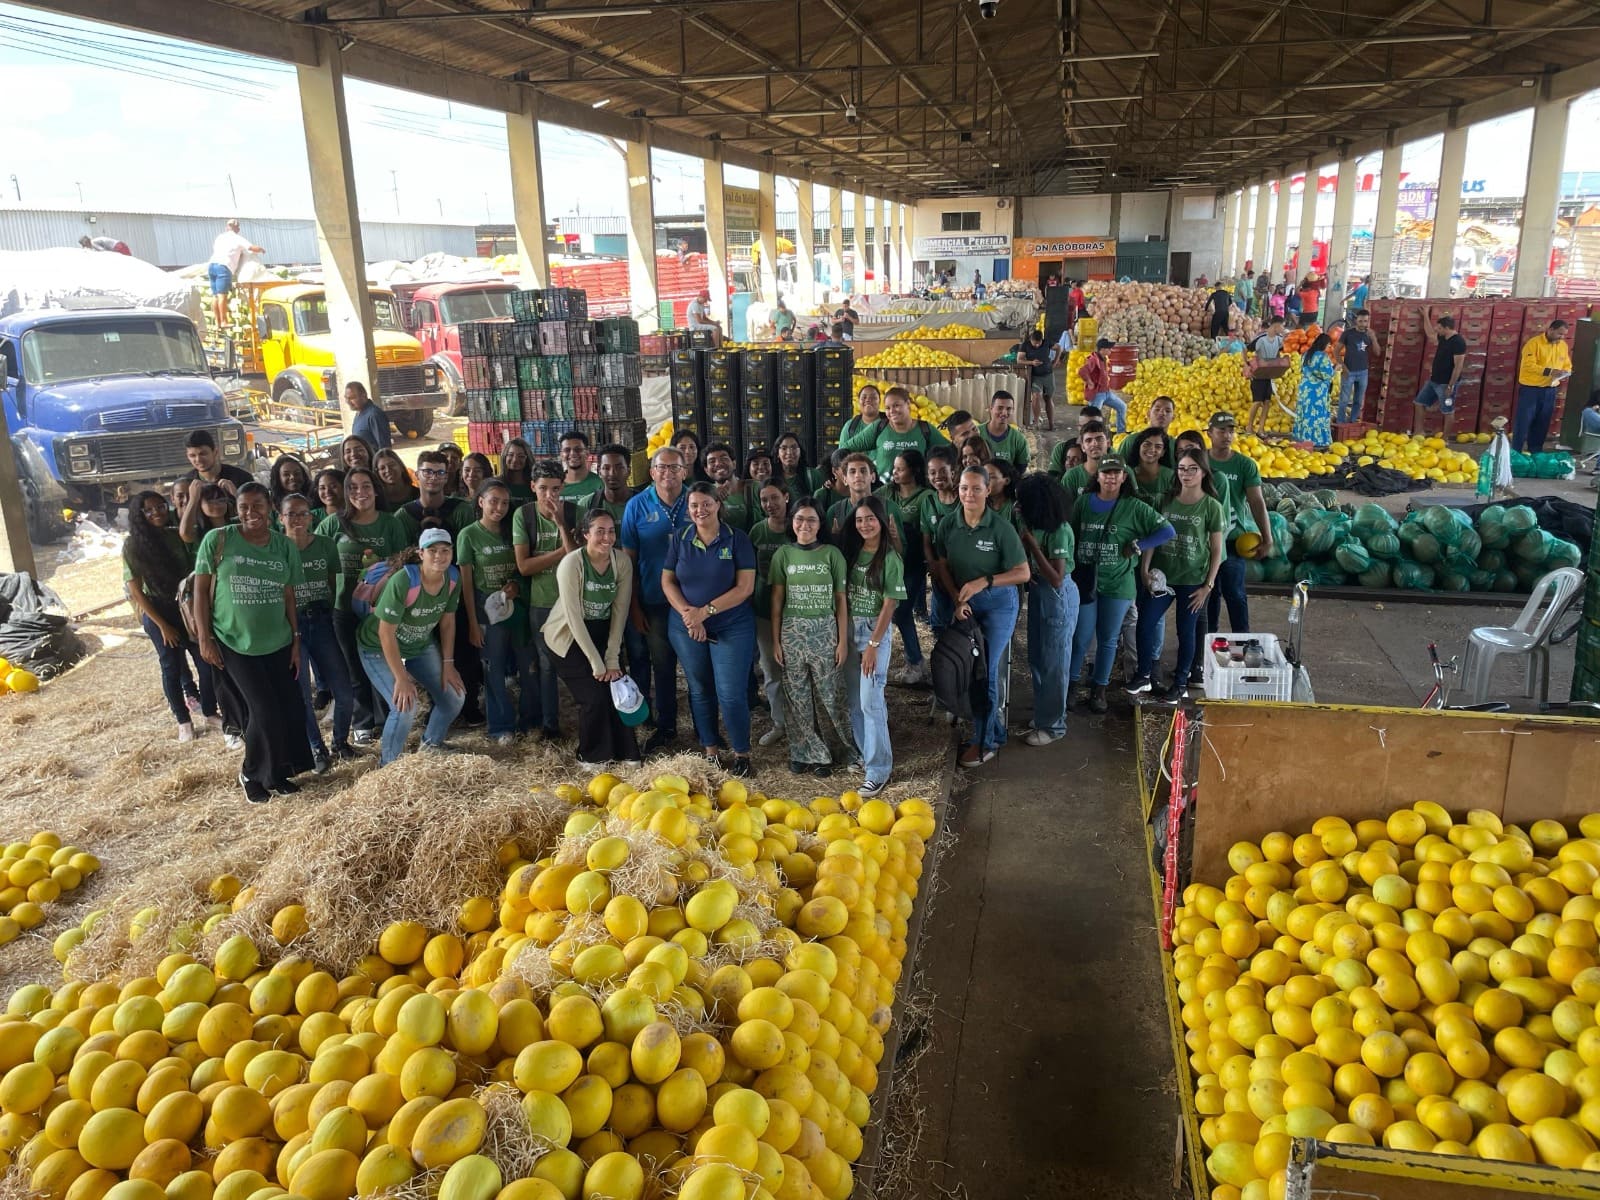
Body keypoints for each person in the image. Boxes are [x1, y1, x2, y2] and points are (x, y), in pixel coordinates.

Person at [192, 482, 312, 803]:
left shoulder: (283, 546)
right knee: (263, 710)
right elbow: (200, 592)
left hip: (278, 641)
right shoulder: (218, 540)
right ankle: (250, 772)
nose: (250, 513)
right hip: (234, 642)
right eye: (244, 506)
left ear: (270, 507)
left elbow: (289, 595)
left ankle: (278, 773)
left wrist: (296, 640)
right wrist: (205, 637)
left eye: (257, 505)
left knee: (288, 709)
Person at [931, 466, 1029, 767]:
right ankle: (994, 732)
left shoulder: (1001, 529)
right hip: (966, 603)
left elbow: (1022, 573)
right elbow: (942, 565)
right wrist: (957, 598)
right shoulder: (949, 525)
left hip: (998, 604)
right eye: (963, 488)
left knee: (984, 670)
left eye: (976, 488)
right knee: (966, 666)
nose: (968, 494)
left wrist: (983, 582)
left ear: (988, 490)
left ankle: (984, 742)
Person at [662, 483, 758, 775]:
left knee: (730, 692)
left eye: (706, 504)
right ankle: (711, 751)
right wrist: (689, 615)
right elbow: (668, 581)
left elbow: (745, 588)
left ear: (718, 504)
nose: (699, 510)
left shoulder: (737, 539)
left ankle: (741, 753)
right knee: (700, 688)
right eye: (693, 506)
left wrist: (705, 612)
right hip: (686, 626)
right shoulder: (681, 537)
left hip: (732, 625)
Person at [1067, 457, 1174, 714]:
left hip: (1118, 583)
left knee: (1108, 639)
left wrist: (1139, 546)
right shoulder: (1083, 502)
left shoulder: (1135, 507)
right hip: (1086, 581)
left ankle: (1099, 690)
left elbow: (1167, 531)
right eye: (1106, 473)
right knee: (1080, 637)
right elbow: (1071, 533)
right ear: (1098, 476)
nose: (1111, 478)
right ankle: (1070, 686)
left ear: (1124, 477)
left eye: (1116, 473)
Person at [315, 467, 410, 744]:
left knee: (380, 664)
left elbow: (402, 560)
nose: (360, 492)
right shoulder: (334, 525)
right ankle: (363, 721)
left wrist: (380, 585)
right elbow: (314, 555)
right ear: (346, 492)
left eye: (366, 486)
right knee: (353, 667)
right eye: (353, 487)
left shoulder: (390, 523)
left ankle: (386, 718)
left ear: (376, 489)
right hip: (343, 608)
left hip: (379, 609)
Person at [357, 530, 466, 767]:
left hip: (419, 644)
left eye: (445, 550)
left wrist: (448, 665)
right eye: (433, 551)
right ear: (421, 553)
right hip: (377, 646)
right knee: (404, 705)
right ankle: (389, 766)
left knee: (455, 697)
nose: (440, 556)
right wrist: (401, 678)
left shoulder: (453, 578)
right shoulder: (404, 581)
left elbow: (448, 622)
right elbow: (385, 633)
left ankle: (431, 745)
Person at [543, 509, 641, 770]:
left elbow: (620, 611)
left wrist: (611, 657)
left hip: (603, 631)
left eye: (611, 531)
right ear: (586, 534)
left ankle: (626, 752)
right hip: (566, 636)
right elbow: (573, 617)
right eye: (599, 531)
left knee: (616, 688)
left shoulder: (621, 562)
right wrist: (597, 662)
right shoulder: (572, 563)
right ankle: (592, 756)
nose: (606, 537)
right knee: (593, 696)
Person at [123, 490, 219, 743]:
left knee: (206, 662)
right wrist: (163, 625)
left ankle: (209, 711)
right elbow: (135, 589)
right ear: (139, 515)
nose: (157, 513)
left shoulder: (175, 535)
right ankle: (183, 720)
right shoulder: (133, 544)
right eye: (149, 510)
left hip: (185, 608)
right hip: (158, 612)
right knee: (172, 667)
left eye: (160, 506)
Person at [770, 498, 853, 777]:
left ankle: (837, 750)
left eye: (811, 519)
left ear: (821, 523)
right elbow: (777, 600)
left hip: (825, 631)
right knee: (797, 697)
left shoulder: (832, 554)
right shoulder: (783, 554)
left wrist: (842, 641)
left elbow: (841, 601)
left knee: (829, 695)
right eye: (799, 519)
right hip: (792, 632)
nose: (804, 525)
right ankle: (805, 752)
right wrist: (777, 640)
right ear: (792, 522)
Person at [1135, 449, 1225, 703]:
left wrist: (1208, 586)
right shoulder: (1165, 500)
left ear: (1204, 472)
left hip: (1193, 580)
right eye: (1182, 468)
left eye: (1192, 469)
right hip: (1162, 577)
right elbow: (1153, 537)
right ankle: (1144, 675)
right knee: (1145, 624)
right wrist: (1145, 569)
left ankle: (1181, 682)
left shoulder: (1211, 506)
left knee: (1186, 632)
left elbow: (1217, 550)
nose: (1186, 474)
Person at [621, 447, 691, 753]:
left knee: (697, 668)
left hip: (694, 603)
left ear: (685, 471)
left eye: (675, 468)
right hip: (654, 600)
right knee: (662, 666)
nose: (668, 473)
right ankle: (666, 727)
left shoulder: (696, 501)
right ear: (652, 472)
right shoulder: (636, 506)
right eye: (662, 468)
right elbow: (628, 564)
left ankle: (706, 730)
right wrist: (634, 607)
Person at [279, 492, 355, 772]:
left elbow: (336, 582)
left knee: (344, 691)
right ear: (281, 518)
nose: (298, 519)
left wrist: (335, 615)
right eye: (291, 514)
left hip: (321, 619)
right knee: (302, 697)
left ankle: (340, 742)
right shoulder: (276, 547)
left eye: (303, 513)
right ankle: (316, 749)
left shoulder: (325, 545)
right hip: (290, 626)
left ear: (312, 517)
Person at [459, 478, 534, 746]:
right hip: (485, 607)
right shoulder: (468, 534)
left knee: (528, 665)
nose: (499, 508)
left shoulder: (513, 530)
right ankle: (501, 726)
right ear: (480, 502)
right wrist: (472, 622)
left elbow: (522, 565)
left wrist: (515, 584)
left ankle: (529, 721)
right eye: (493, 501)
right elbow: (466, 583)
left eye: (504, 503)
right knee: (494, 668)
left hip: (516, 605)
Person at [838, 496, 904, 796]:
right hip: (849, 628)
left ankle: (879, 770)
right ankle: (867, 755)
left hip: (872, 631)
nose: (864, 524)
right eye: (859, 519)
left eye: (870, 519)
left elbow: (890, 605)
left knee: (870, 700)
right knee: (855, 700)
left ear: (881, 520)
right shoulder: (852, 552)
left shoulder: (890, 558)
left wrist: (874, 645)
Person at [513, 461, 577, 740]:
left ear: (563, 487)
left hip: (572, 601)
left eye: (555, 489)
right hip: (540, 601)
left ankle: (586, 716)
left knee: (581, 661)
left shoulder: (574, 512)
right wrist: (562, 551)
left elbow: (578, 558)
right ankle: (551, 725)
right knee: (546, 664)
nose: (549, 496)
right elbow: (524, 566)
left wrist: (562, 525)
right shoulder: (523, 515)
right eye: (543, 489)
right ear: (532, 488)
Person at [1014, 474, 1078, 747]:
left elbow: (1057, 577)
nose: (1018, 505)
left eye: (1023, 501)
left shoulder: (1059, 529)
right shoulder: (1031, 522)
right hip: (1039, 592)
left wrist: (1032, 546)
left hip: (1056, 596)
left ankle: (1053, 726)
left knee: (1054, 664)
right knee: (1037, 658)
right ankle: (1044, 712)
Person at [1205, 412, 1273, 641]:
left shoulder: (1245, 465)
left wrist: (1267, 537)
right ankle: (1207, 642)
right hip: (1204, 540)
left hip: (1234, 540)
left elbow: (1256, 501)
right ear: (1210, 433)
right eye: (1221, 430)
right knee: (1209, 594)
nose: (1227, 435)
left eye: (1231, 430)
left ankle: (1243, 641)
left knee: (1235, 593)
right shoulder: (1199, 462)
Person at [877, 450, 931, 686]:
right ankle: (913, 660)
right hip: (890, 561)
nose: (895, 472)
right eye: (895, 468)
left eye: (900, 468)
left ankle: (916, 661)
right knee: (898, 611)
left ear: (914, 470)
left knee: (901, 609)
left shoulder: (925, 496)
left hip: (913, 561)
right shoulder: (887, 491)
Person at [749, 481, 793, 749]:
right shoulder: (757, 532)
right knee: (771, 669)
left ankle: (804, 724)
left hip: (796, 612)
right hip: (763, 611)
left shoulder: (797, 528)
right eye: (764, 500)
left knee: (799, 671)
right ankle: (780, 723)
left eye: (775, 497)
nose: (770, 504)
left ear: (786, 496)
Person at [838, 386, 951, 477]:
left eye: (896, 405)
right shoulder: (879, 427)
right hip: (883, 497)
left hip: (917, 497)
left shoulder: (925, 429)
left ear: (908, 404)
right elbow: (845, 450)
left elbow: (951, 452)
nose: (892, 411)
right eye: (887, 408)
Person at [1514, 319, 1573, 454]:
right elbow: (1529, 365)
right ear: (1550, 330)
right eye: (1559, 334)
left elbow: (1566, 363)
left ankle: (1536, 451)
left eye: (1564, 335)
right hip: (1531, 389)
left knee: (1543, 422)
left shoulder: (1562, 346)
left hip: (1550, 390)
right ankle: (1515, 452)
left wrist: (1566, 371)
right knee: (1524, 421)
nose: (1561, 338)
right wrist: (1550, 371)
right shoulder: (1534, 344)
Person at [919, 446, 961, 635]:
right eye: (932, 472)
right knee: (939, 623)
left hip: (962, 571)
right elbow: (926, 539)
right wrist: (933, 565)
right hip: (939, 571)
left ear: (953, 471)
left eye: (943, 471)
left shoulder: (963, 500)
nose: (938, 477)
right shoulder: (928, 502)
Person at [206, 219, 264, 331]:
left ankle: (218, 322)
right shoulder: (237, 238)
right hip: (224, 266)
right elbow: (251, 248)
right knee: (222, 295)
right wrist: (261, 249)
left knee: (215, 296)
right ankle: (223, 321)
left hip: (212, 265)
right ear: (237, 228)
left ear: (227, 227)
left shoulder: (220, 237)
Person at [1414, 310, 1468, 418]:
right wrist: (1425, 315)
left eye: (1439, 328)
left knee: (1447, 410)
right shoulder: (1443, 337)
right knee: (1419, 403)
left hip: (1446, 383)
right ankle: (1419, 432)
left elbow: (1458, 367)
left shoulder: (1458, 342)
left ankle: (1446, 436)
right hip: (1434, 380)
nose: (1436, 330)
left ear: (1447, 328)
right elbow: (1430, 334)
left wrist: (1450, 386)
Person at [1244, 315, 1288, 438]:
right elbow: (1245, 348)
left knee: (1267, 402)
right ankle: (1249, 427)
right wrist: (1246, 364)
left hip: (1269, 374)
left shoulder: (1279, 339)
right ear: (1276, 325)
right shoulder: (1261, 338)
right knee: (1257, 401)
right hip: (1258, 374)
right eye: (1282, 326)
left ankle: (1261, 429)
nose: (1283, 329)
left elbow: (1279, 351)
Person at [1336, 309, 1381, 426]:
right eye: (1360, 321)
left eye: (1365, 321)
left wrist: (1374, 338)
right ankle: (1340, 422)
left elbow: (1377, 352)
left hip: (1363, 372)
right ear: (1356, 320)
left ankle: (1352, 421)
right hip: (1349, 371)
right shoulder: (1347, 334)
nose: (1363, 324)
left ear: (1368, 321)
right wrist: (1343, 367)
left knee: (1358, 400)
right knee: (1344, 400)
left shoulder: (1369, 334)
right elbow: (1336, 351)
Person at [1050, 419, 1110, 504]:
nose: (1094, 443)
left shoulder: (1122, 472)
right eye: (1088, 440)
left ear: (1108, 443)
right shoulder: (1071, 476)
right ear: (1083, 447)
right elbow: (1064, 510)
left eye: (1099, 439)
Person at [1293, 334, 1336, 448]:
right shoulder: (1322, 356)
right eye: (1328, 345)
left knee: (1305, 413)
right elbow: (1327, 375)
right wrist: (1336, 369)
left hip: (1305, 389)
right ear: (1324, 344)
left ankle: (1302, 438)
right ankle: (1316, 440)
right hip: (1317, 392)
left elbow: (1302, 370)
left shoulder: (1306, 354)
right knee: (1316, 415)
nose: (1329, 347)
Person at [178, 429, 253, 492]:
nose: (198, 459)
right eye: (192, 456)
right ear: (187, 456)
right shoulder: (185, 485)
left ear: (215, 452)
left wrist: (235, 496)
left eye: (203, 454)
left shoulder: (242, 478)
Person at [1077, 340, 1127, 433]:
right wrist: (1090, 382)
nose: (1111, 351)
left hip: (1107, 393)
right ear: (1103, 349)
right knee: (1093, 417)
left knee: (1122, 406)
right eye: (1109, 349)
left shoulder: (1103, 358)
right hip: (1097, 394)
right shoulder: (1093, 360)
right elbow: (1082, 371)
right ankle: (1088, 434)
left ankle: (1121, 433)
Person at [1118, 396, 1177, 467]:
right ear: (1148, 414)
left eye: (1167, 411)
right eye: (1157, 409)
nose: (1162, 413)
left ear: (1173, 417)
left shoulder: (1175, 445)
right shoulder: (1131, 441)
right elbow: (1117, 468)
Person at [704, 443, 751, 530]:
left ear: (734, 464)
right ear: (706, 470)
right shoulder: (704, 494)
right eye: (712, 461)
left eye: (724, 459)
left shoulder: (753, 487)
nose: (718, 463)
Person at [587, 444, 636, 526]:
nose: (612, 473)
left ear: (629, 471)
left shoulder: (643, 503)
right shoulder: (588, 504)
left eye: (619, 468)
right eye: (606, 468)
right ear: (599, 471)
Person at [1016, 331, 1056, 431]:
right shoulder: (1025, 345)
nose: (1037, 345)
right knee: (1035, 396)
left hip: (1048, 374)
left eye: (1039, 343)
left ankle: (1051, 423)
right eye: (1035, 343)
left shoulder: (1047, 342)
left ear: (1042, 340)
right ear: (1031, 340)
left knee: (1048, 398)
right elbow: (1019, 360)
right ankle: (1036, 421)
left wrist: (1055, 360)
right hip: (1035, 376)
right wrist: (1031, 362)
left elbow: (1058, 347)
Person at [1127, 428, 1175, 506]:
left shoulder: (1170, 477)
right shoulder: (1128, 475)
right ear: (1139, 446)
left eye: (1158, 447)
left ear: (1163, 452)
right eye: (1147, 444)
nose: (1152, 449)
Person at [178, 481, 235, 546]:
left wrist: (235, 494)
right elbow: (185, 533)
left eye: (221, 500)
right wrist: (193, 500)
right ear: (199, 505)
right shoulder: (198, 532)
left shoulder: (236, 524)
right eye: (210, 501)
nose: (217, 505)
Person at [774, 432, 822, 501]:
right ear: (777, 453)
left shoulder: (813, 475)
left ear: (800, 452)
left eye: (793, 447)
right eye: (784, 448)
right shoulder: (772, 477)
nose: (789, 452)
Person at [344, 382, 391, 452]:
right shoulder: (358, 413)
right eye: (346, 398)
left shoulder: (374, 415)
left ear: (364, 395)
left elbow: (384, 448)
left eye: (352, 398)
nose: (348, 402)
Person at [559, 430, 603, 503]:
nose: (572, 453)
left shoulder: (599, 484)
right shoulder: (556, 485)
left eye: (578, 449)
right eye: (567, 450)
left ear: (587, 453)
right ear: (561, 455)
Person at [498, 438, 536, 503]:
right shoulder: (497, 484)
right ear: (504, 457)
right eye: (510, 455)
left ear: (528, 459)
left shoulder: (535, 484)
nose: (515, 460)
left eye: (521, 456)